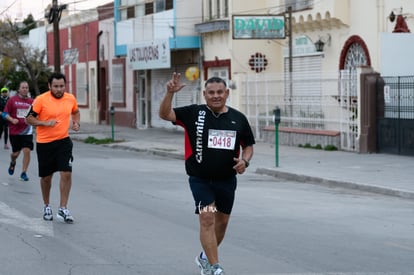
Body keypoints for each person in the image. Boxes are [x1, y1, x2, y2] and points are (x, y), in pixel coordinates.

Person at [159, 73, 255, 275]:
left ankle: (204, 258)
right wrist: (169, 94)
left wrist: (244, 161)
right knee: (207, 218)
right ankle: (215, 267)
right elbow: (165, 114)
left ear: (227, 93)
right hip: (200, 180)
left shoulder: (238, 119)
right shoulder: (194, 113)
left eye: (220, 92)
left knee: (222, 223)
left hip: (227, 180)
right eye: (211, 92)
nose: (216, 96)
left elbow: (248, 146)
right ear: (204, 94)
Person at [26, 72, 80, 223]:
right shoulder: (40, 100)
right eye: (55, 86)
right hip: (45, 143)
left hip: (63, 142)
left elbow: (75, 112)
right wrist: (44, 123)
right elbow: (28, 119)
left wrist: (76, 123)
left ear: (65, 86)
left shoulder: (70, 98)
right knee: (46, 178)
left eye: (62, 86)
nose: (59, 89)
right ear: (50, 86)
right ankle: (47, 205)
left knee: (66, 173)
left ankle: (63, 208)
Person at [2, 81, 34, 181]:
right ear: (19, 89)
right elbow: (4, 114)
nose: (25, 89)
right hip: (14, 131)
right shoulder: (12, 100)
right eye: (23, 87)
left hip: (27, 130)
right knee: (15, 154)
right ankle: (13, 162)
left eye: (27, 88)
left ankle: (24, 173)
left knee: (27, 151)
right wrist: (12, 120)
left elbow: (36, 114)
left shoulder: (32, 101)